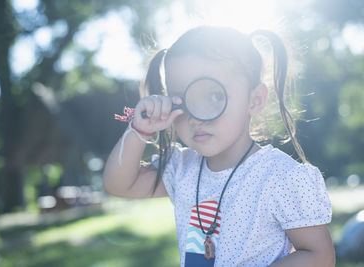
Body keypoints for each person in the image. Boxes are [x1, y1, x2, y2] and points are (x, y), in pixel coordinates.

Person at [103, 26, 335, 267]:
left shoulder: (280, 177)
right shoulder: (181, 169)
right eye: (181, 99)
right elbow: (119, 184)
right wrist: (140, 131)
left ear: (254, 100)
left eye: (214, 96)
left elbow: (319, 255)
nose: (196, 116)